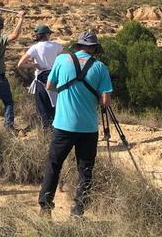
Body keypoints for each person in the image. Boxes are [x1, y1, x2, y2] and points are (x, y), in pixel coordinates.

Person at [38, 30, 113, 218]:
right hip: (88, 128)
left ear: (78, 46)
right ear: (94, 48)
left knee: (54, 165)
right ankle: (78, 212)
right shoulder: (100, 67)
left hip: (63, 125)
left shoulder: (62, 60)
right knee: (85, 170)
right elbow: (105, 102)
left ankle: (45, 207)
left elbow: (49, 86)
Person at [17, 24, 64, 129]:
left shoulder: (34, 48)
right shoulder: (56, 46)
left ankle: (45, 134)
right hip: (54, 79)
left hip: (40, 80)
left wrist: (34, 65)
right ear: (47, 34)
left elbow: (20, 64)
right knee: (55, 107)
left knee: (42, 109)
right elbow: (69, 56)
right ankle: (56, 132)